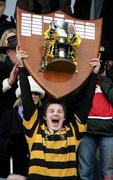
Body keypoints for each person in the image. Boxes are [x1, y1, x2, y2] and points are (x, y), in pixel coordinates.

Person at [15, 47, 100, 179]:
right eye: (51, 111)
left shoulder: (73, 132)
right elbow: (27, 99)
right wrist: (21, 67)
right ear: (44, 116)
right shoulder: (35, 130)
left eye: (60, 111)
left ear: (64, 117)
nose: (56, 114)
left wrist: (94, 74)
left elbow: (86, 104)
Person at [78, 45, 113, 180]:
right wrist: (91, 75)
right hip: (87, 130)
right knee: (84, 172)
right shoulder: (85, 77)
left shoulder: (109, 78)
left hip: (109, 131)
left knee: (108, 173)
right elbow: (76, 97)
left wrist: (103, 77)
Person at [0, 73, 45, 178]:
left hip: (37, 169)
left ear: (39, 97)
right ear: (21, 96)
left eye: (36, 93)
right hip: (11, 169)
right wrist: (14, 144)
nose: (32, 96)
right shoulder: (8, 115)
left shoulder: (44, 117)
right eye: (29, 93)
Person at [0, 31, 18, 120]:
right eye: (15, 49)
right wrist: (8, 82)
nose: (19, 53)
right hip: (5, 121)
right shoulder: (1, 68)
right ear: (8, 51)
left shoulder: (31, 69)